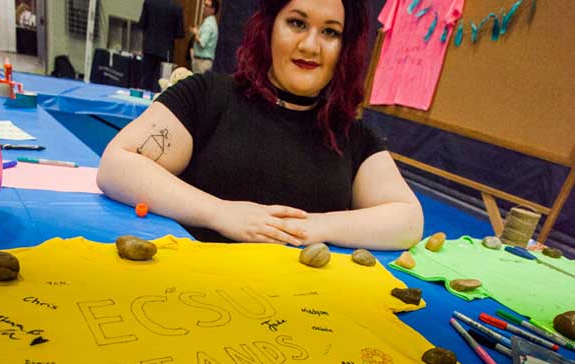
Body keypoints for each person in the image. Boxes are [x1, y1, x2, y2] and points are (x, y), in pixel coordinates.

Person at [98, 0, 424, 250]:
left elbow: (408, 219)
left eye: (330, 32)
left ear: (344, 48)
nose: (311, 46)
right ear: (269, 28)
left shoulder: (351, 135)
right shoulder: (208, 97)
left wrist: (312, 227)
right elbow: (116, 165)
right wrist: (220, 213)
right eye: (297, 23)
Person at [138, 0, 185, 92]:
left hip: (149, 47)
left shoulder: (149, 3)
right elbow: (180, 33)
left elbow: (142, 24)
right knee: (162, 82)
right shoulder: (177, 7)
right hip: (166, 50)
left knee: (145, 79)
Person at [190, 0, 219, 74]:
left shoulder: (209, 24)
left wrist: (196, 32)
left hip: (202, 63)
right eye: (204, 5)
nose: (203, 7)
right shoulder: (209, 22)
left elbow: (202, 43)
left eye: (206, 5)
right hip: (202, 61)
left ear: (213, 10)